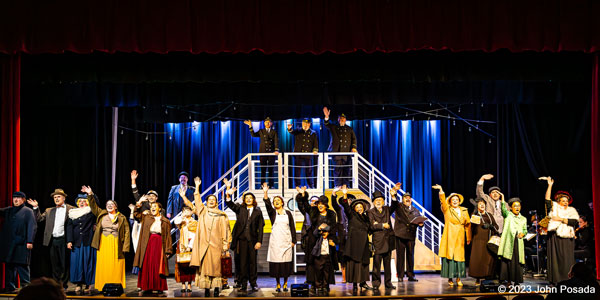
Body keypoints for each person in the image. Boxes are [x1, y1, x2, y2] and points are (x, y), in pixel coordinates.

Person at [181, 177, 231, 297]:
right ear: (206, 202)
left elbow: (226, 231)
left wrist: (225, 245)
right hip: (204, 245)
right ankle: (207, 289)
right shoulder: (202, 212)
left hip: (216, 245)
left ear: (217, 202)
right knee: (205, 268)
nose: (212, 201)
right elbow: (197, 200)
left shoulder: (222, 215)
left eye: (214, 199)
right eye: (209, 200)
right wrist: (197, 186)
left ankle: (217, 288)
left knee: (216, 268)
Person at [82, 185, 129, 291]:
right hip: (104, 242)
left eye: (112, 204)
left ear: (116, 206)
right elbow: (93, 206)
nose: (109, 205)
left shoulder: (122, 217)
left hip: (117, 243)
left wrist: (125, 247)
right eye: (108, 204)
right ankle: (103, 284)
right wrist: (90, 194)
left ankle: (117, 284)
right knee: (104, 264)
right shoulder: (102, 214)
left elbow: (126, 233)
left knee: (116, 264)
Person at [28, 188, 75, 289]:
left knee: (64, 263)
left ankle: (64, 284)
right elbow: (39, 219)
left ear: (64, 198)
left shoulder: (71, 209)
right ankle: (56, 284)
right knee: (54, 264)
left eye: (58, 197)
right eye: (55, 197)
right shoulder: (49, 210)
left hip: (64, 240)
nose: (56, 199)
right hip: (52, 240)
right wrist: (36, 207)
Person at [224, 184, 264, 293]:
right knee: (242, 263)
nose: (248, 199)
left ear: (253, 200)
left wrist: (259, 241)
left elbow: (261, 228)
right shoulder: (240, 209)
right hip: (241, 241)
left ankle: (253, 283)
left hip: (252, 241)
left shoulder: (258, 212)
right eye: (247, 198)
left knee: (252, 262)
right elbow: (229, 203)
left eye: (250, 198)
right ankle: (243, 283)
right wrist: (228, 193)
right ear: (244, 200)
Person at [297, 191, 337, 292]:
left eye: (322, 204)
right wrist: (303, 195)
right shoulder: (313, 211)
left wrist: (329, 235)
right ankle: (315, 285)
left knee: (327, 265)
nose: (320, 206)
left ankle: (325, 285)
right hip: (314, 241)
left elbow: (333, 227)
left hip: (327, 241)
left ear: (326, 205)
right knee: (315, 265)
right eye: (318, 204)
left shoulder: (331, 214)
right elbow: (305, 206)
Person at [432, 184, 471, 286]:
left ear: (459, 201)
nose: (454, 201)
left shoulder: (464, 210)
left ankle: (458, 278)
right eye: (452, 199)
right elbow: (442, 201)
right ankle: (450, 278)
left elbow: (468, 225)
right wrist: (441, 190)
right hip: (450, 236)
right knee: (450, 257)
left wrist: (469, 237)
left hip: (460, 236)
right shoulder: (447, 209)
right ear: (449, 201)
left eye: (456, 199)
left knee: (459, 258)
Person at [542, 176, 580, 284]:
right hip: (555, 236)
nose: (565, 202)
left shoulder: (572, 210)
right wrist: (549, 186)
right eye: (563, 201)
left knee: (567, 259)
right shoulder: (554, 207)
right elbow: (547, 200)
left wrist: (561, 219)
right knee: (555, 259)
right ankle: (556, 281)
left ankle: (568, 279)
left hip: (567, 237)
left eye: (566, 201)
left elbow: (574, 222)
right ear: (558, 201)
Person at [262, 184, 296, 292]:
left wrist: (293, 241)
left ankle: (285, 284)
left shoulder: (288, 213)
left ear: (282, 202)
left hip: (286, 241)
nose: (276, 202)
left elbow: (292, 227)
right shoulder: (272, 213)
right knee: (277, 264)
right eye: (274, 201)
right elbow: (267, 205)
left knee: (286, 264)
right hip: (276, 242)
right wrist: (265, 192)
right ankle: (277, 284)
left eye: (278, 200)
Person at [0, 191, 36, 293]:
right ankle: (9, 287)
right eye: (14, 198)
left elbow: (32, 226)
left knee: (22, 265)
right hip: (9, 244)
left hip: (22, 243)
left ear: (23, 199)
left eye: (18, 198)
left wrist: (30, 241)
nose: (15, 200)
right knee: (9, 265)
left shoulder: (28, 211)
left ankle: (26, 287)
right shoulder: (9, 210)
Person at [133, 200, 172, 293]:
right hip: (148, 243)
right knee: (147, 264)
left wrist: (168, 250)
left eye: (155, 206)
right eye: (151, 207)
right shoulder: (146, 217)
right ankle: (147, 286)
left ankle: (159, 287)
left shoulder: (165, 221)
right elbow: (136, 215)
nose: (153, 208)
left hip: (159, 243)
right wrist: (138, 205)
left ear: (159, 209)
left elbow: (168, 237)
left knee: (158, 264)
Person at [338, 191, 373, 293]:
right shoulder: (351, 215)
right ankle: (354, 284)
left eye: (360, 207)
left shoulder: (366, 218)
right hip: (354, 244)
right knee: (354, 264)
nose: (359, 208)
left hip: (364, 244)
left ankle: (363, 283)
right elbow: (345, 206)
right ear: (354, 209)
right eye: (357, 207)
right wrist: (345, 195)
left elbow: (369, 229)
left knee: (364, 264)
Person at [391, 183, 424, 283]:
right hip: (400, 234)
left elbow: (419, 221)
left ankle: (410, 275)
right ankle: (400, 275)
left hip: (410, 235)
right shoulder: (399, 206)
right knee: (400, 256)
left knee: (410, 255)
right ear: (402, 200)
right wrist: (394, 192)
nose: (408, 199)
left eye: (409, 198)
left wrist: (421, 224)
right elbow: (394, 201)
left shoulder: (415, 210)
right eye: (406, 198)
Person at [66, 194, 97, 294]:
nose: (82, 203)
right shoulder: (72, 213)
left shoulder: (90, 212)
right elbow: (69, 228)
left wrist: (91, 194)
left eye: (84, 201)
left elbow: (96, 203)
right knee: (77, 264)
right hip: (76, 242)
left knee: (87, 262)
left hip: (87, 241)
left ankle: (88, 284)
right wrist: (69, 241)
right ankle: (78, 284)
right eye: (80, 201)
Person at [368, 190, 396, 290]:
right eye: (376, 200)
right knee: (376, 265)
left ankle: (388, 283)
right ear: (373, 202)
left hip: (388, 240)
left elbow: (395, 205)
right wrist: (382, 225)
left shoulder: (387, 209)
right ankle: (376, 284)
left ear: (383, 201)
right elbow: (371, 226)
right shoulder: (370, 212)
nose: (378, 202)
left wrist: (393, 195)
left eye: (380, 200)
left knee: (387, 265)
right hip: (378, 242)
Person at [323, 107, 357, 187]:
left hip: (346, 152)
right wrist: (327, 117)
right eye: (340, 118)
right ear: (338, 119)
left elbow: (354, 139)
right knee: (337, 170)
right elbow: (326, 124)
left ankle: (345, 185)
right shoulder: (334, 127)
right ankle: (338, 185)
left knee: (346, 169)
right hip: (336, 152)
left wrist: (354, 147)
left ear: (345, 120)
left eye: (343, 118)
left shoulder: (349, 129)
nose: (342, 119)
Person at [468, 197, 499, 285]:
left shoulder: (489, 215)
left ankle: (487, 277)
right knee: (478, 259)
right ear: (477, 206)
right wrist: (474, 216)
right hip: (478, 240)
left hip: (488, 240)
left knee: (487, 259)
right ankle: (477, 278)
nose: (482, 205)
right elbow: (472, 228)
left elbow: (496, 226)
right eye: (480, 203)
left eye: (483, 203)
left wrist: (491, 226)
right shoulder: (475, 215)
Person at [498, 196, 527, 285]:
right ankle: (509, 281)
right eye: (515, 206)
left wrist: (523, 234)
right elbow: (503, 209)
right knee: (508, 261)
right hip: (509, 242)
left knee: (517, 262)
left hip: (518, 242)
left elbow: (525, 230)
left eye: (518, 206)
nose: (517, 208)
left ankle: (517, 282)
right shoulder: (508, 215)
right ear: (511, 208)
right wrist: (502, 198)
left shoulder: (523, 219)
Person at [244, 117, 279, 188]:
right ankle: (262, 185)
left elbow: (276, 141)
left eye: (269, 122)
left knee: (271, 169)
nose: (268, 123)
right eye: (266, 122)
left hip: (271, 152)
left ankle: (271, 185)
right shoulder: (261, 131)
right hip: (263, 152)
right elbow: (253, 135)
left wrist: (276, 149)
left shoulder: (274, 131)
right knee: (263, 169)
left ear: (271, 123)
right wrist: (250, 126)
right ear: (264, 123)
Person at [287, 118, 319, 188]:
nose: (304, 125)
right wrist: (289, 129)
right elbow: (292, 132)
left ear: (309, 124)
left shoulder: (313, 133)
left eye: (306, 124)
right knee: (297, 171)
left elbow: (315, 143)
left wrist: (315, 150)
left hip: (308, 154)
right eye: (303, 123)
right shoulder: (298, 131)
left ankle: (311, 186)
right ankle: (297, 185)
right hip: (298, 154)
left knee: (309, 171)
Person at [329, 185, 352, 283]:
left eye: (350, 200)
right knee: (342, 257)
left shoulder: (353, 210)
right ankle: (344, 277)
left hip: (351, 235)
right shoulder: (340, 209)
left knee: (351, 256)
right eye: (347, 199)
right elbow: (334, 203)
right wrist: (334, 193)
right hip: (342, 236)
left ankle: (351, 276)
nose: (349, 201)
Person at [173, 205, 197, 294]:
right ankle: (183, 284)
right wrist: (182, 217)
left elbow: (195, 235)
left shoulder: (194, 222)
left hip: (191, 245)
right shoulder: (181, 221)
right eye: (184, 210)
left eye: (187, 210)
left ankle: (189, 284)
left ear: (192, 212)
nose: (186, 212)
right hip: (182, 244)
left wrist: (190, 246)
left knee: (190, 265)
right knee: (181, 265)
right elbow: (176, 221)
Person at [310, 225, 336, 294]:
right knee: (318, 273)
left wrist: (333, 245)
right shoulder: (319, 238)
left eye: (326, 232)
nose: (324, 234)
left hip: (327, 257)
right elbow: (315, 233)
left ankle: (325, 286)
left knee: (326, 273)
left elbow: (334, 247)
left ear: (328, 233)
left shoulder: (329, 239)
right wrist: (319, 228)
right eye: (323, 232)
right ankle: (319, 287)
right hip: (319, 257)